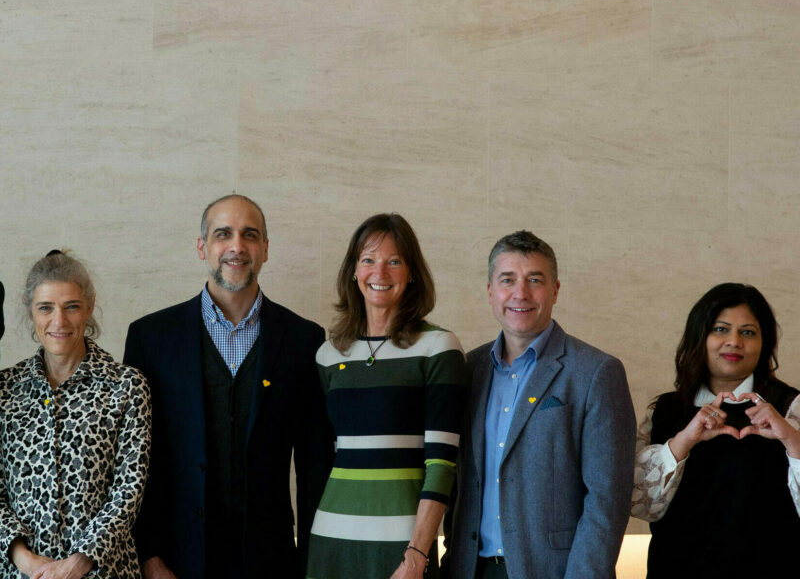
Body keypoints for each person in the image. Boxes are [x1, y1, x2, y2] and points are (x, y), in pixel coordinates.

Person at [124, 194, 334, 579]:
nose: (237, 246)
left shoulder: (304, 340)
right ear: (202, 247)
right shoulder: (150, 338)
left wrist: (311, 563)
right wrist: (149, 556)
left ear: (265, 249)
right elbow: (136, 462)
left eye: (249, 235)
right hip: (176, 562)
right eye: (223, 234)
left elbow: (314, 466)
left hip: (271, 562)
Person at [444, 230, 636, 579]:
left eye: (535, 280)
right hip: (470, 569)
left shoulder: (596, 372)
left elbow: (607, 499)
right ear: (490, 291)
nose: (521, 293)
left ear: (555, 290)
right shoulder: (469, 369)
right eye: (507, 280)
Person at [306, 213, 467, 579]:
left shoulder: (438, 348)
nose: (379, 272)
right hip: (331, 541)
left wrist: (417, 555)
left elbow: (442, 465)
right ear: (353, 271)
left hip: (403, 548)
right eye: (368, 260)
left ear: (412, 273)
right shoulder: (329, 355)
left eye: (394, 261)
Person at [631, 283, 800, 578]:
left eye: (748, 332)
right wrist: (683, 442)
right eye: (721, 329)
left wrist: (792, 441)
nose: (734, 342)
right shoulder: (663, 410)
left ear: (764, 342)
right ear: (700, 336)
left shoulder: (791, 407)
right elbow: (637, 504)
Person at [0, 250, 151, 579]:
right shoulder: (5, 390)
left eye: (71, 306)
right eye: (46, 308)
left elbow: (129, 490)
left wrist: (77, 564)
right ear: (30, 310)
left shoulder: (125, 386)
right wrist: (25, 560)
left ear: (89, 307)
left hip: (104, 571)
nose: (59, 321)